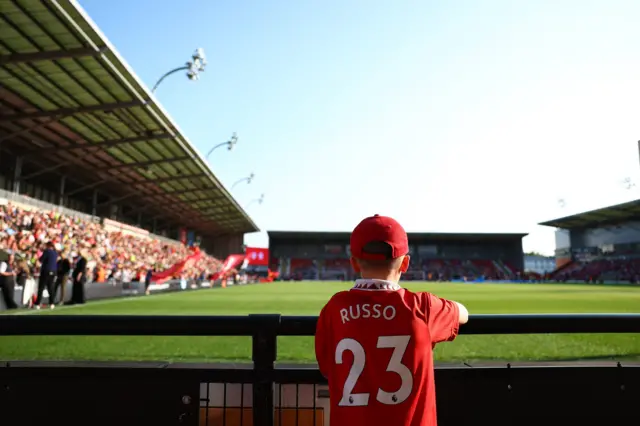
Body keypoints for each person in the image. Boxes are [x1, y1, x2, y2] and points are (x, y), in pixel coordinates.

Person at [315, 215, 469, 426]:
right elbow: (463, 313)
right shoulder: (423, 306)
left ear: (353, 263)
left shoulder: (335, 308)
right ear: (405, 263)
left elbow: (327, 368)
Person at [35, 241, 58, 309]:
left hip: (46, 271)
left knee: (41, 287)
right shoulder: (55, 252)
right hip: (53, 271)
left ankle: (38, 303)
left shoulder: (47, 251)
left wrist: (37, 258)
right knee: (50, 288)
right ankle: (52, 303)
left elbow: (41, 260)